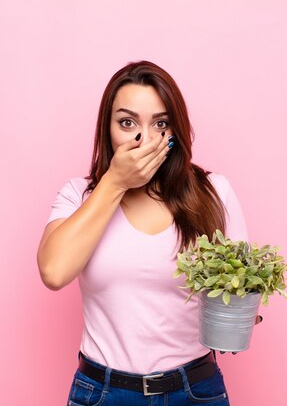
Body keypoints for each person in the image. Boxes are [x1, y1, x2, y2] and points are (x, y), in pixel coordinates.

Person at [37, 60, 259, 406]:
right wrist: (115, 182)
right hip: (104, 393)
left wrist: (241, 307)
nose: (144, 138)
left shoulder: (214, 192)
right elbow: (53, 272)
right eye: (127, 123)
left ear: (175, 131)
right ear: (107, 129)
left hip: (194, 391)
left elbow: (241, 282)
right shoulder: (78, 196)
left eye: (160, 123)